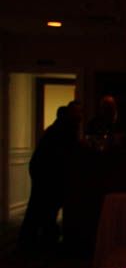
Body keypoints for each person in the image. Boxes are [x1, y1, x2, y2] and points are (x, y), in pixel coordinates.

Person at [18, 102, 81, 251]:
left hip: (44, 171)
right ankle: (37, 239)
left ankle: (33, 239)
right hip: (47, 172)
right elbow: (66, 152)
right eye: (77, 113)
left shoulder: (57, 128)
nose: (80, 116)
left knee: (40, 206)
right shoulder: (65, 129)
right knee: (44, 206)